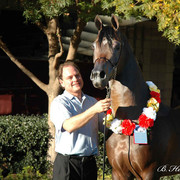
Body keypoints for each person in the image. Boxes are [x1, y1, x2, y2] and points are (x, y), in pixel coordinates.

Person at [50, 60, 112, 180]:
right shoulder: (59, 103)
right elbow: (69, 126)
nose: (75, 79)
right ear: (61, 82)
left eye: (77, 75)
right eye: (70, 77)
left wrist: (131, 126)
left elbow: (106, 128)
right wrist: (94, 110)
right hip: (68, 165)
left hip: (89, 165)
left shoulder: (92, 101)